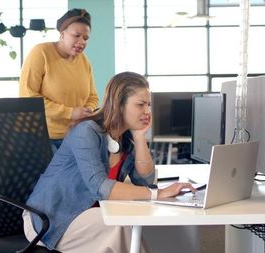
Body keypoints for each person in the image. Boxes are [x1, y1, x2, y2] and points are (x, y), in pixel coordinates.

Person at [23, 72, 196, 252]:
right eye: (140, 104)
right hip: (51, 217)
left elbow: (145, 181)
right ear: (119, 104)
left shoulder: (125, 138)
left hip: (90, 212)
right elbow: (101, 187)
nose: (147, 111)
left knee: (138, 225)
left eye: (149, 105)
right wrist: (158, 194)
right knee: (119, 228)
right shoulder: (86, 132)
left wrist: (139, 136)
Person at [19, 8, 99, 151]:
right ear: (62, 34)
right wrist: (70, 113)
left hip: (75, 135)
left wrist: (85, 112)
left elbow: (92, 96)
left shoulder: (84, 61)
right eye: (77, 35)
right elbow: (28, 97)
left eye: (85, 38)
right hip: (42, 137)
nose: (82, 42)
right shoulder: (41, 53)